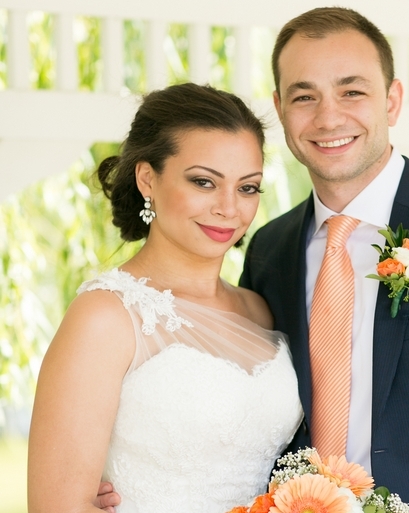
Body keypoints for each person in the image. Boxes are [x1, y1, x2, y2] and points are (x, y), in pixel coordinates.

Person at [95, 7, 409, 513]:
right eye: (304, 96)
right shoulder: (269, 250)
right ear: (280, 109)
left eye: (351, 91)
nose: (328, 117)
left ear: (392, 100)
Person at [27, 82, 303, 513]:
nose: (229, 207)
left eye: (247, 187)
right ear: (147, 179)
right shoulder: (106, 316)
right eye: (204, 182)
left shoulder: (258, 310)